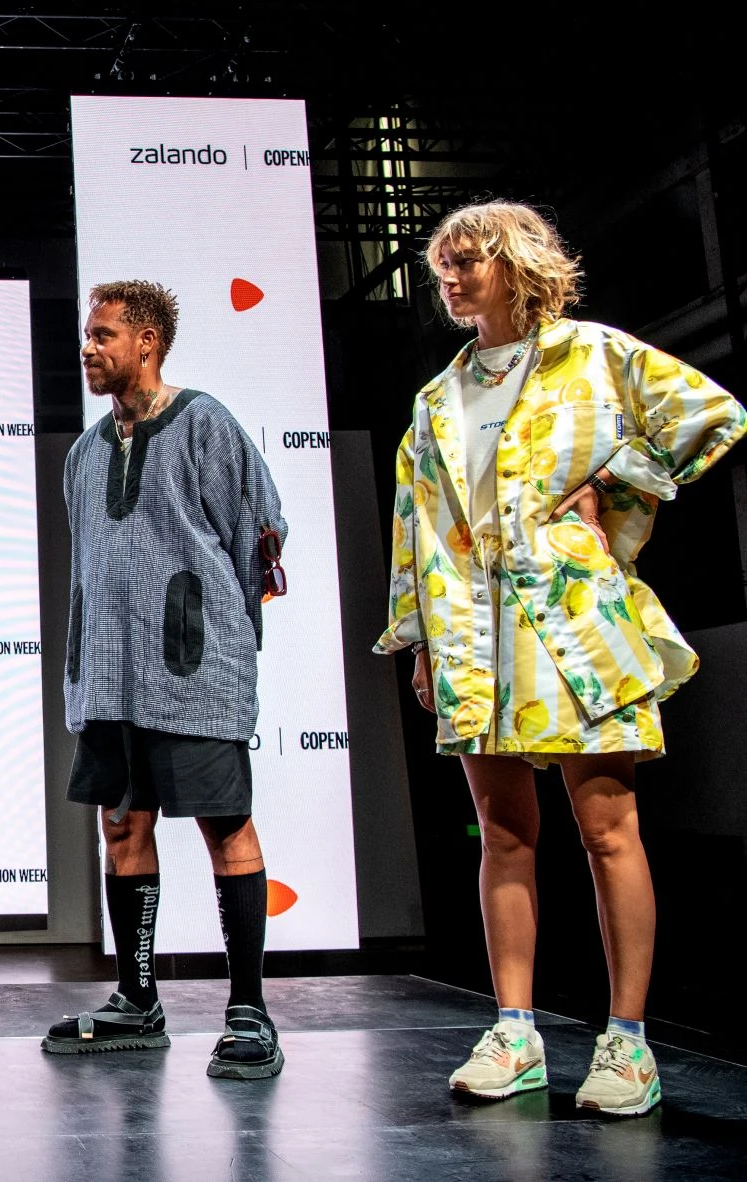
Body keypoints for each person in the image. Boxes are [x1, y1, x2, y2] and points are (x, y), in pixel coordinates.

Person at [376, 201, 746, 1116]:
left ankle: (627, 1044)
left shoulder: (594, 354)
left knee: (606, 829)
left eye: (468, 260)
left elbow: (713, 413)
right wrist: (418, 640)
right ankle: (514, 1031)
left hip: (575, 621)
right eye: (442, 265)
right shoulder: (435, 398)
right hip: (473, 632)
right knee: (502, 831)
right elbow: (415, 526)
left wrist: (616, 482)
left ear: (516, 262)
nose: (450, 277)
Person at [42, 281, 288, 1080]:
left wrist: (212, 635)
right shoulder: (83, 454)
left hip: (193, 673)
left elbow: (258, 535)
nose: (88, 348)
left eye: (103, 335)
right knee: (122, 829)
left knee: (225, 828)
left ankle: (247, 1009)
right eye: (87, 335)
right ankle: (137, 999)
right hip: (107, 681)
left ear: (146, 342)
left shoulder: (204, 423)